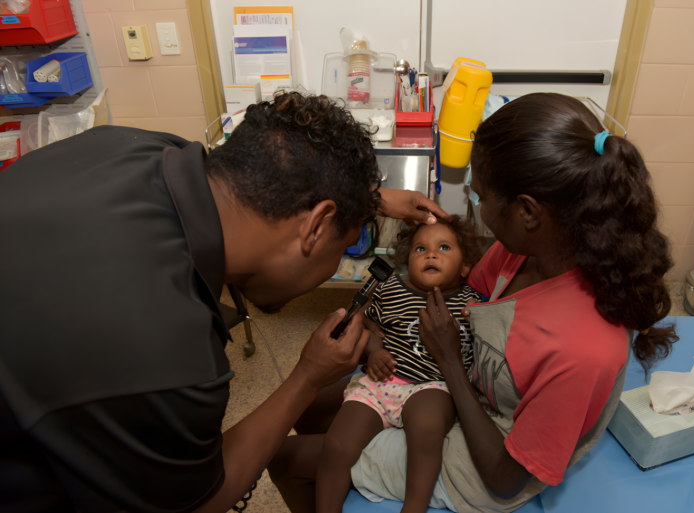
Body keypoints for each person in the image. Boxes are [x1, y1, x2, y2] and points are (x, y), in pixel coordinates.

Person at [0, 92, 450, 513]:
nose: (337, 261)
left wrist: (366, 202)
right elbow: (200, 501)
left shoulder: (131, 145)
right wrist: (308, 377)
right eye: (345, 245)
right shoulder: (161, 345)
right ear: (315, 228)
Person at [268, 93, 678, 513]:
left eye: (480, 197)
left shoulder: (584, 350)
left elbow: (504, 479)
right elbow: (458, 295)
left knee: (284, 458)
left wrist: (448, 360)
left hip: (484, 461)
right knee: (306, 410)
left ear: (527, 211)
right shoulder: (522, 250)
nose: (476, 208)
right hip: (459, 387)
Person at [316, 216, 485, 513]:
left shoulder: (471, 304)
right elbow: (367, 325)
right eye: (421, 249)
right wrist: (374, 349)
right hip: (383, 382)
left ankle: (413, 508)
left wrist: (480, 316)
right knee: (337, 445)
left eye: (444, 247)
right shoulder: (391, 289)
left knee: (427, 426)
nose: (431, 254)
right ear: (408, 260)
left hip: (434, 385)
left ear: (465, 266)